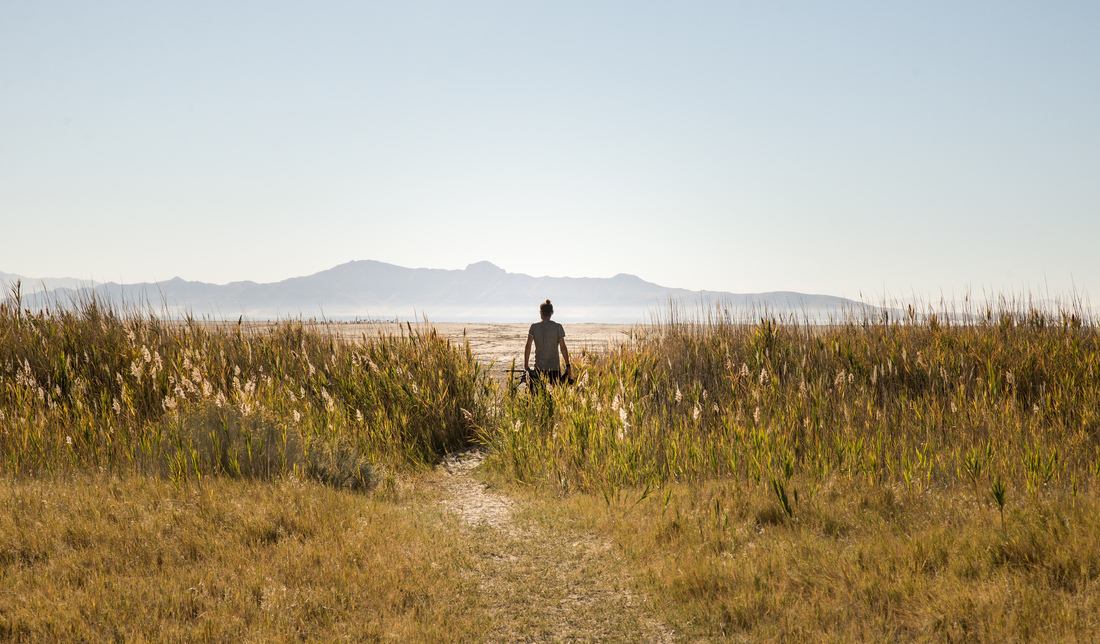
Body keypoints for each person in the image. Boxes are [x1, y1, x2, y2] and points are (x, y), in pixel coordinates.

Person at [524, 299, 570, 389]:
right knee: (554, 394)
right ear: (552, 313)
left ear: (540, 313)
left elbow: (528, 346)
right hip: (554, 368)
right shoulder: (558, 327)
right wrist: (568, 365)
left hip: (539, 368)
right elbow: (563, 348)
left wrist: (526, 364)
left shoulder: (534, 327)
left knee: (538, 394)